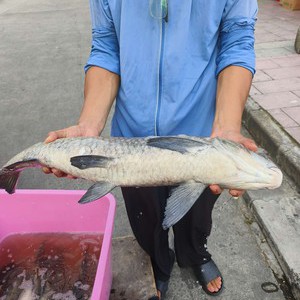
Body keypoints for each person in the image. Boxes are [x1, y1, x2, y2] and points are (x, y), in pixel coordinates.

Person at [44, 0, 258, 299]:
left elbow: (236, 43)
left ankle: (195, 254)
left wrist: (227, 127)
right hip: (131, 144)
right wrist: (88, 125)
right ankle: (158, 262)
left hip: (201, 140)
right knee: (146, 216)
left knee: (197, 215)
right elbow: (107, 46)